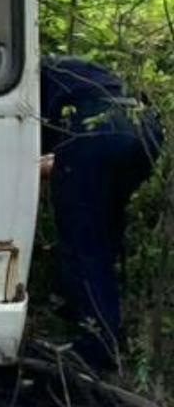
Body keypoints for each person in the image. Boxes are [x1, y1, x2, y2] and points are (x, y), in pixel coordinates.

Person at [40, 57, 165, 370]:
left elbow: (25, 134)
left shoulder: (28, 72)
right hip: (145, 127)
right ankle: (91, 312)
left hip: (99, 131)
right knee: (106, 226)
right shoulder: (79, 69)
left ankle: (97, 346)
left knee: (84, 241)